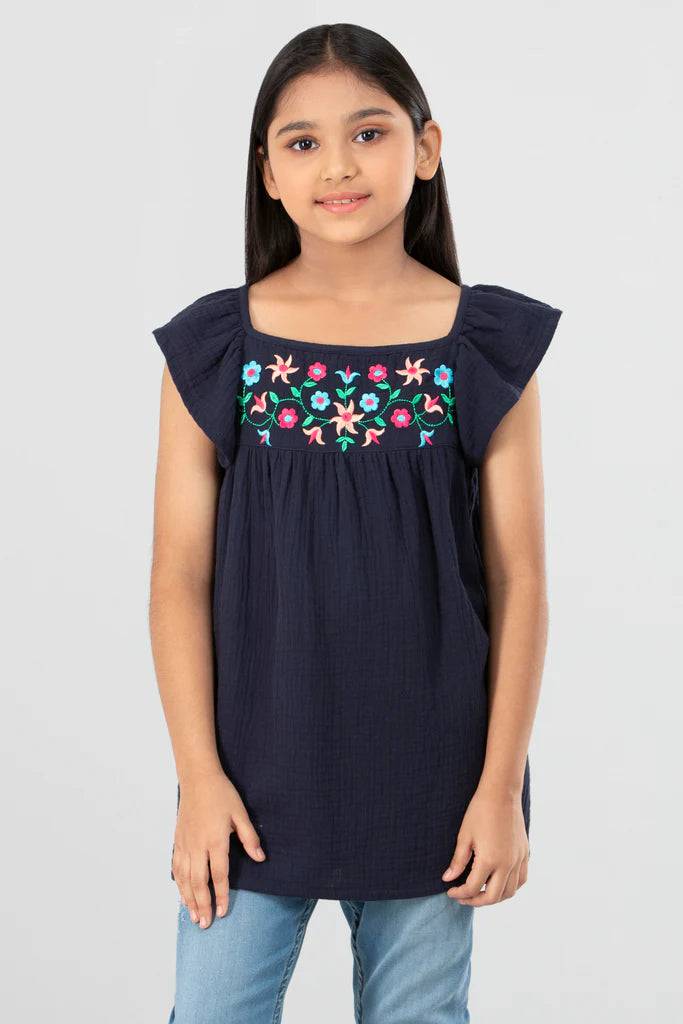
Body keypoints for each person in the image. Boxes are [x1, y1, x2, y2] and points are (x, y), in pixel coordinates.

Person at [149, 22, 563, 1024]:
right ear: (268, 172)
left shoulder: (481, 344)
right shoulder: (218, 347)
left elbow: (519, 582)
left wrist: (498, 786)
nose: (336, 165)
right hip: (249, 781)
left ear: (424, 149)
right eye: (302, 142)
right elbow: (177, 580)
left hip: (432, 779)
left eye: (368, 133)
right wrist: (197, 779)